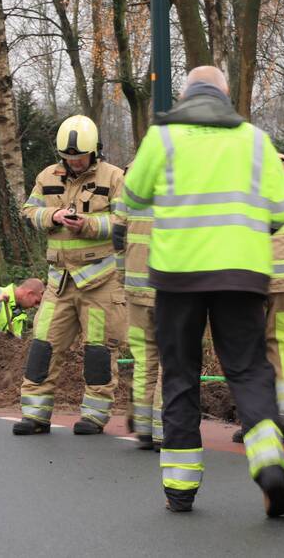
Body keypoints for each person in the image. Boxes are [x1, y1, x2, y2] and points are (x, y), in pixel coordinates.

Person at [122, 66, 284, 517]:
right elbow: (280, 214)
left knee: (180, 375)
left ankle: (180, 488)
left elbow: (133, 199)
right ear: (224, 97)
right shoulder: (255, 140)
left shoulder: (163, 138)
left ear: (184, 97)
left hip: (178, 276)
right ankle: (269, 461)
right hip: (243, 275)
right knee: (249, 369)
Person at [13, 115, 126, 436]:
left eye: (79, 157)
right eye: (68, 157)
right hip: (59, 281)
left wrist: (87, 224)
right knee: (43, 346)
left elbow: (124, 221)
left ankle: (94, 416)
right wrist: (54, 215)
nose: (74, 163)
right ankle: (35, 415)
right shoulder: (48, 176)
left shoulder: (114, 177)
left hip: (101, 281)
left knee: (98, 352)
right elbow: (28, 211)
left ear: (94, 152)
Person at [233, 153, 284, 443]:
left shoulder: (235, 162)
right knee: (283, 340)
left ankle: (255, 420)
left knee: (246, 346)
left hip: (248, 271)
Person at [113, 165, 162, 451]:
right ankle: (164, 430)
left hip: (136, 286)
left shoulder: (131, 175)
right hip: (170, 288)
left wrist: (123, 277)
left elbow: (118, 236)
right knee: (173, 362)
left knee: (145, 359)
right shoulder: (184, 170)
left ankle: (144, 429)